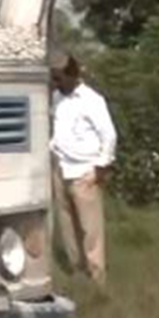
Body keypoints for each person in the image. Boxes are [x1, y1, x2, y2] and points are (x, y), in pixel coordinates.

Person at [49, 52, 116, 284]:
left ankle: (97, 277)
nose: (55, 83)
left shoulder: (92, 100)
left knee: (90, 230)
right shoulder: (57, 98)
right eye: (53, 78)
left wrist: (100, 168)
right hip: (61, 169)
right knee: (67, 225)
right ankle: (77, 271)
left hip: (84, 171)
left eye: (58, 78)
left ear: (72, 75)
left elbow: (109, 135)